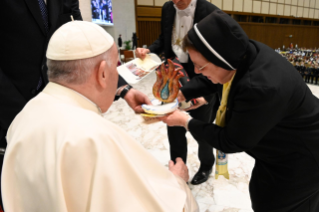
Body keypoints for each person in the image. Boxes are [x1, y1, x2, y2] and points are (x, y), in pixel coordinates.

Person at [1, 21, 198, 212]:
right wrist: (178, 182)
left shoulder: (25, 115)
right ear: (103, 73)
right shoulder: (93, 138)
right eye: (115, 69)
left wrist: (125, 92)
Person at [160, 10, 319, 211]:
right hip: (276, 151)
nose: (197, 72)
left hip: (303, 158)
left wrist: (185, 121)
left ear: (222, 60)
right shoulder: (240, 56)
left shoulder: (259, 87)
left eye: (201, 66)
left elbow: (230, 140)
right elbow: (216, 81)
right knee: (262, 195)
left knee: (277, 204)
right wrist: (184, 92)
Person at [0, 0, 150, 208]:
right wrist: (22, 117)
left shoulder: (87, 134)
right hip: (11, 109)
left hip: (59, 104)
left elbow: (84, 38)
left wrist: (122, 88)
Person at [135, 0, 220, 185]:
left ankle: (206, 165)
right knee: (173, 127)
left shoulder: (211, 12)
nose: (177, 2)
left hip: (200, 77)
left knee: (201, 130)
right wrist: (148, 49)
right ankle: (177, 165)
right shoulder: (167, 8)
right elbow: (165, 38)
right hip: (172, 74)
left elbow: (218, 59)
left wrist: (206, 95)